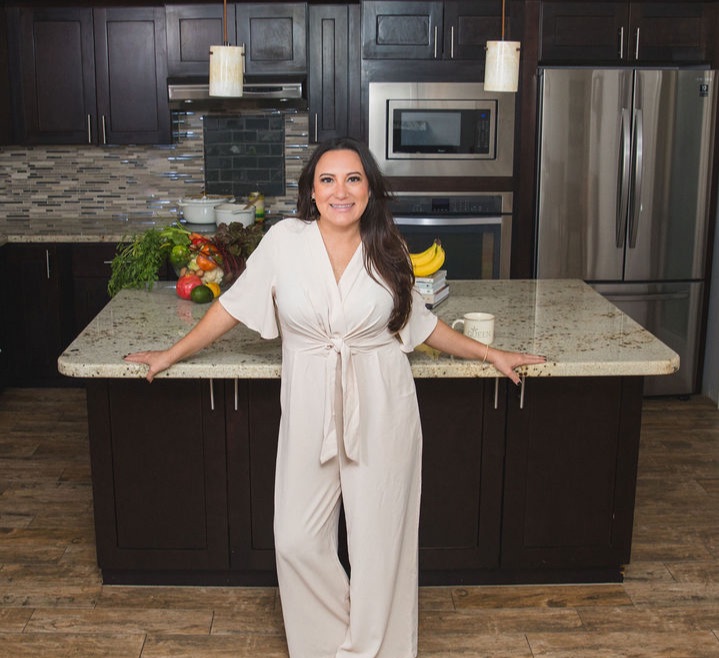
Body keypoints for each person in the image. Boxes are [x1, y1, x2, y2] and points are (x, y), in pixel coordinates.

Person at [124, 137, 546, 658]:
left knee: (379, 542)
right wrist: (171, 353)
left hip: (381, 401)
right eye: (327, 180)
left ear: (369, 190)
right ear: (311, 191)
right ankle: (331, 645)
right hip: (310, 404)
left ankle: (375, 647)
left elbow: (420, 324)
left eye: (353, 179)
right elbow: (232, 305)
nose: (340, 191)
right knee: (295, 539)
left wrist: (489, 353)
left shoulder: (388, 248)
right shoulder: (285, 242)